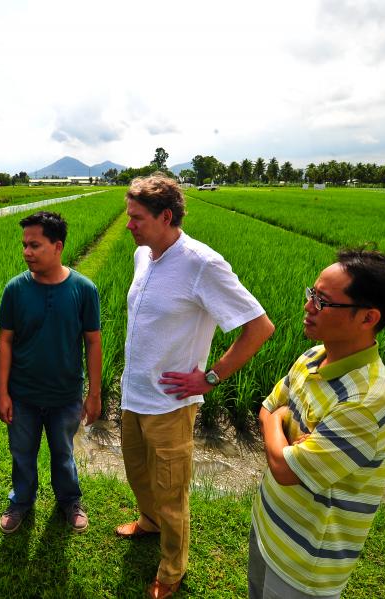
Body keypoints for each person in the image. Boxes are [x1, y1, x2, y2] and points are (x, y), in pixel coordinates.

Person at [116, 175, 275, 599]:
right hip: (135, 395)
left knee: (171, 491)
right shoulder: (143, 257)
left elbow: (259, 328)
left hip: (170, 404)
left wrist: (210, 376)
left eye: (136, 217)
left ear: (165, 216)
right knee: (139, 473)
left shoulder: (203, 264)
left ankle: (171, 569)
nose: (127, 224)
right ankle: (147, 522)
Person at [249, 249, 385, 599]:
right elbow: (266, 409)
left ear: (368, 318)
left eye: (323, 301)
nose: (309, 306)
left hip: (306, 563)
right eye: (312, 294)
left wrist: (278, 426)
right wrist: (284, 431)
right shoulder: (313, 357)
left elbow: (283, 468)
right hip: (269, 525)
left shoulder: (368, 401)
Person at [0, 211, 102, 534]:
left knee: (63, 452)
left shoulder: (84, 289)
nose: (26, 252)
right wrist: (2, 393)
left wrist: (93, 394)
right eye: (24, 245)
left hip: (65, 394)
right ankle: (21, 501)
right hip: (23, 394)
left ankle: (70, 500)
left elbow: (93, 343)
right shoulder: (15, 289)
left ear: (57, 246)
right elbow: (5, 342)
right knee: (22, 454)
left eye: (35, 245)